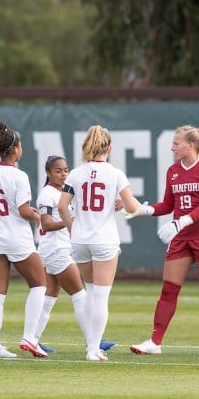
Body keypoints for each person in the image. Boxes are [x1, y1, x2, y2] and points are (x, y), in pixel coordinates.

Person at [125, 125, 199, 356]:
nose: (172, 147)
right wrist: (142, 211)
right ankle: (155, 342)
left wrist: (180, 222)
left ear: (190, 145)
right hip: (181, 235)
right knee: (169, 289)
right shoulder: (173, 171)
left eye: (176, 143)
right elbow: (168, 205)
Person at [58, 125, 142, 361]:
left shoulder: (75, 173)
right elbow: (133, 207)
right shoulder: (115, 174)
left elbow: (63, 206)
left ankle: (91, 344)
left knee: (91, 292)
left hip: (80, 240)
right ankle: (93, 348)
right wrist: (122, 204)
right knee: (101, 296)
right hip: (104, 240)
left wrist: (72, 228)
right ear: (109, 148)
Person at [0, 120, 49, 359]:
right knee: (40, 284)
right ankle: (29, 337)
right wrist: (38, 215)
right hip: (15, 237)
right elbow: (23, 210)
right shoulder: (19, 176)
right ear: (15, 149)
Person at [33, 155, 117, 354]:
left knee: (49, 297)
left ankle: (31, 338)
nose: (63, 174)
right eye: (58, 171)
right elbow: (46, 223)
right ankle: (93, 342)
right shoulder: (47, 194)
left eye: (65, 170)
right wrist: (73, 221)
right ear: (48, 173)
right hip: (56, 250)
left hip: (55, 249)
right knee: (80, 295)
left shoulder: (63, 193)